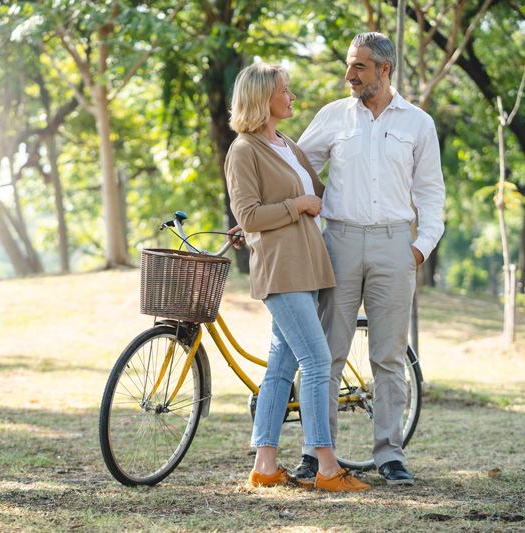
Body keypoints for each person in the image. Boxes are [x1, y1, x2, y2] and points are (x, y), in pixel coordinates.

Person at [295, 32, 446, 486]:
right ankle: (316, 453)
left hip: (395, 245)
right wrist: (311, 205)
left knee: (388, 357)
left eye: (359, 66)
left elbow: (431, 192)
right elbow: (297, 167)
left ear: (385, 69)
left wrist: (422, 246)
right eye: (349, 65)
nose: (349, 75)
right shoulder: (333, 117)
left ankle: (390, 454)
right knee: (326, 355)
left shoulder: (418, 123)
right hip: (337, 243)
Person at [225, 62, 370, 492]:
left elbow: (320, 194)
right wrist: (297, 206)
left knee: (281, 367)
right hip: (280, 269)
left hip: (307, 266)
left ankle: (265, 466)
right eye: (284, 91)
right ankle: (327, 468)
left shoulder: (286, 143)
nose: (291, 97)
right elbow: (248, 214)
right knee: (317, 361)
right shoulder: (244, 150)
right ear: (262, 99)